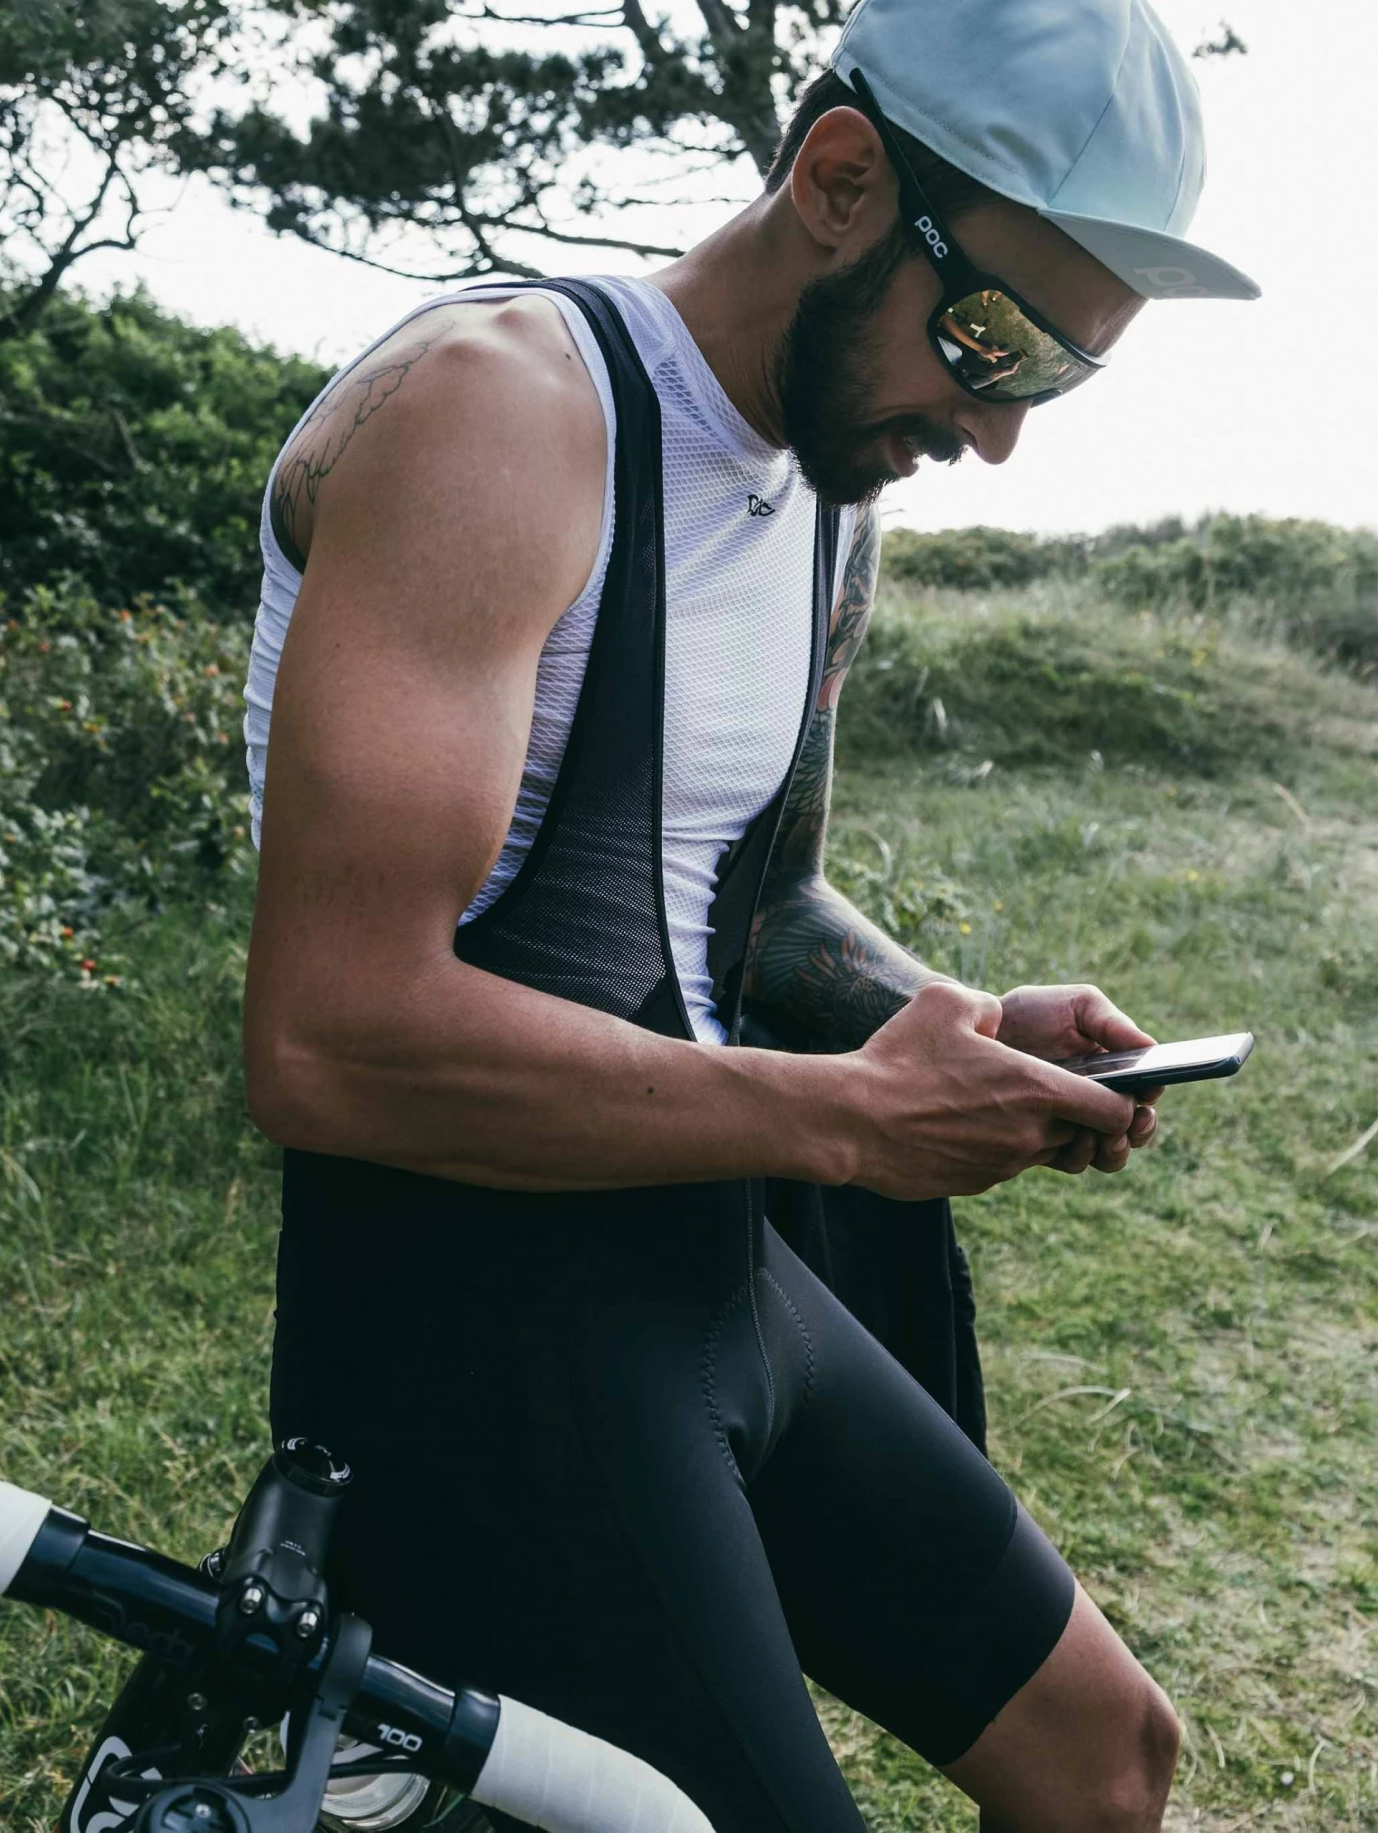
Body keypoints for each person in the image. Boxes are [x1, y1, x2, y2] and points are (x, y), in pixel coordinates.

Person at [239, 1, 1257, 1827]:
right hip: (475, 1315)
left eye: (1055, 380)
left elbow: (757, 905)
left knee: (1111, 1758)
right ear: (841, 178)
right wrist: (850, 1121)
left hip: (705, 1258)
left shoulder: (822, 483)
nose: (998, 432)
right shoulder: (503, 414)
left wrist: (962, 1031)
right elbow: (332, 1038)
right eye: (993, 339)